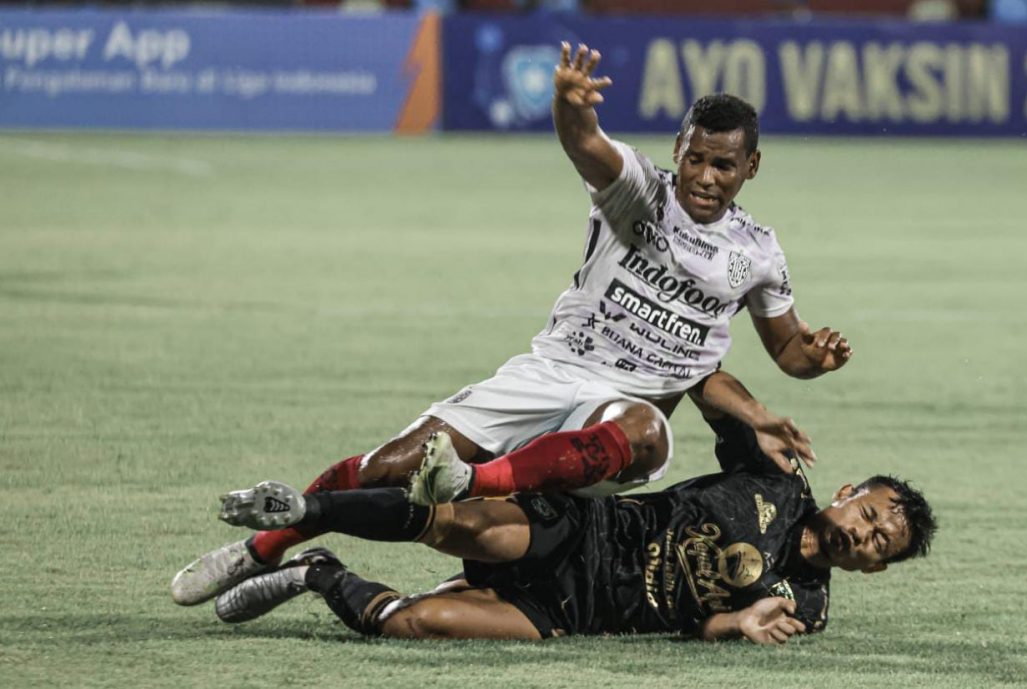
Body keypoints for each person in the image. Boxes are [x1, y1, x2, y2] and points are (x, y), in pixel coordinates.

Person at [170, 42, 852, 607]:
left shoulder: (758, 251)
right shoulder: (640, 188)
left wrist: (813, 355)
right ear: (679, 146)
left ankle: (475, 483)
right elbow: (584, 139)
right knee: (391, 466)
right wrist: (568, 101)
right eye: (695, 157)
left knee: (646, 433)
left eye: (723, 165)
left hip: (618, 415)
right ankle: (261, 549)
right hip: (549, 371)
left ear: (750, 167)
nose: (704, 176)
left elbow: (786, 346)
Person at [203, 409, 935, 645]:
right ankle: (307, 510)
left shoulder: (809, 608)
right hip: (589, 534)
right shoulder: (777, 476)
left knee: (413, 624)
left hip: (578, 612)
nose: (863, 535)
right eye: (868, 515)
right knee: (467, 528)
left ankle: (315, 570)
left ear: (874, 568)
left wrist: (739, 621)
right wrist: (755, 409)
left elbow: (701, 629)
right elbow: (708, 382)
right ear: (846, 492)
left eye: (878, 544)